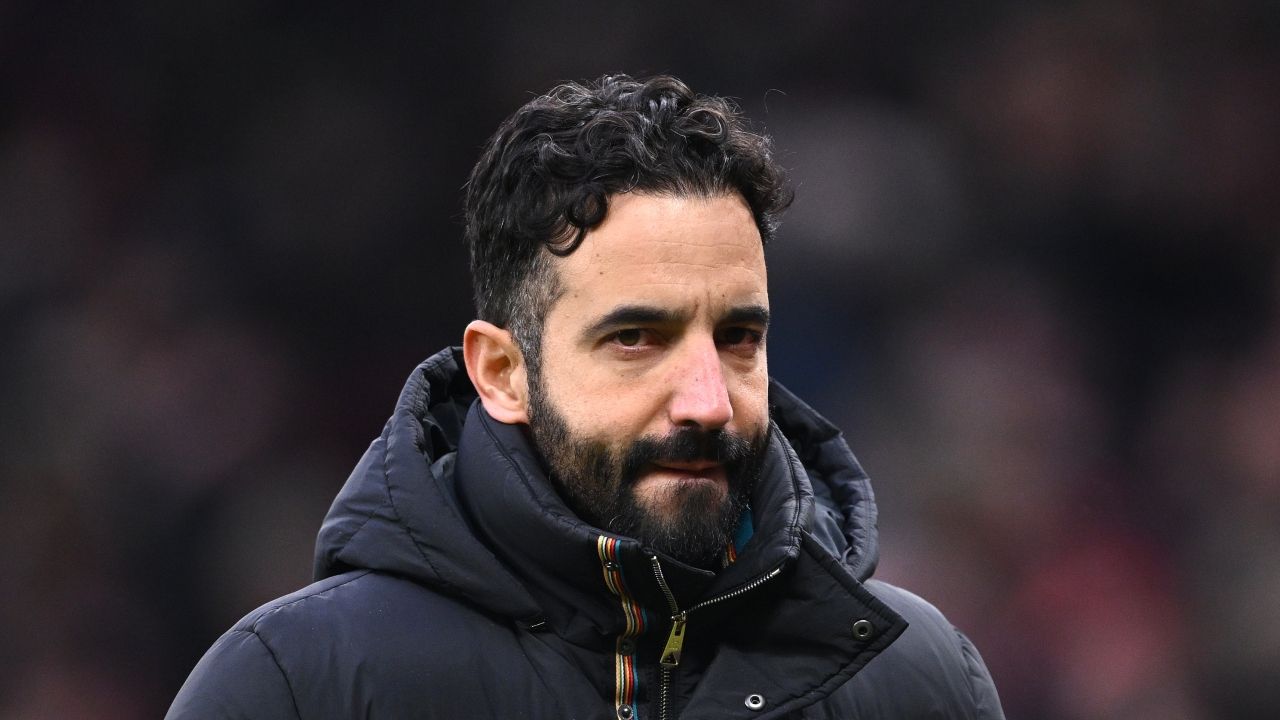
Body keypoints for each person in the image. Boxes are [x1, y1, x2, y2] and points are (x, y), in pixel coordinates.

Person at [168, 74, 1004, 719]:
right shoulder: (296, 686)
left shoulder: (919, 682)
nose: (708, 401)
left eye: (738, 337)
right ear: (503, 372)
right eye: (635, 338)